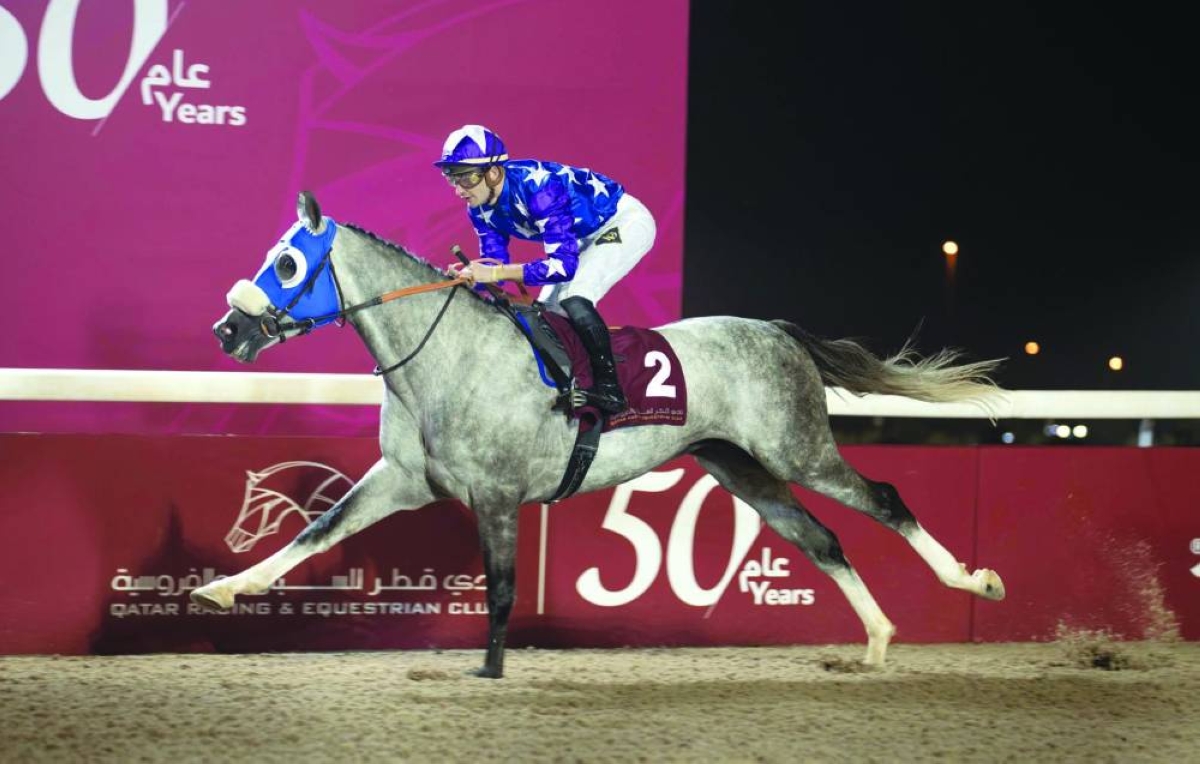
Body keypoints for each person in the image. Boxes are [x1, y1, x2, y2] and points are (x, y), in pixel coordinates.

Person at [436, 124, 657, 415]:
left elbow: (562, 267)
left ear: (493, 171)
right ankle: (572, 383)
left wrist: (495, 274)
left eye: (467, 178)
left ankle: (610, 390)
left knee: (576, 295)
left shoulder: (540, 189)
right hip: (581, 235)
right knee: (547, 313)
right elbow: (494, 265)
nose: (459, 189)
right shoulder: (478, 207)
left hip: (622, 223)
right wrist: (472, 278)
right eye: (452, 178)